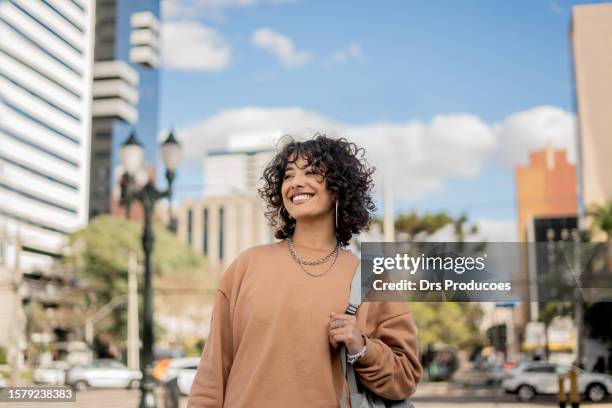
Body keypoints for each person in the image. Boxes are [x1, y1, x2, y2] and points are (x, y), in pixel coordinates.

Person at [188, 135, 422, 407]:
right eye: (289, 176)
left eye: (311, 172)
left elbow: (405, 377)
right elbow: (212, 372)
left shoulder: (372, 278)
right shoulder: (247, 266)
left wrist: (362, 348)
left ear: (339, 187)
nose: (296, 182)